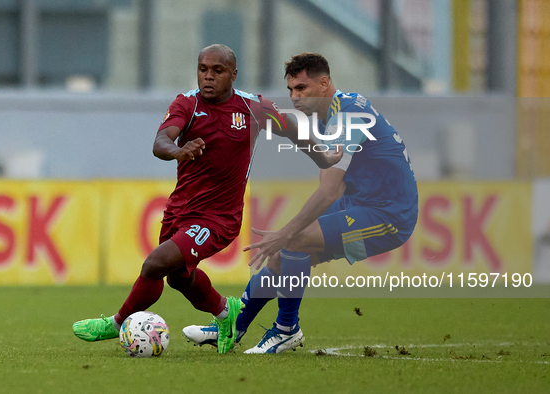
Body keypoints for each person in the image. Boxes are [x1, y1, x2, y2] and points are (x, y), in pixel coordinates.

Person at [72, 46, 342, 354]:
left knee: (154, 264)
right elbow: (160, 142)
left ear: (233, 75)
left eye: (217, 70)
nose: (208, 77)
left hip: (219, 218)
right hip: (180, 211)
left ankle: (117, 323)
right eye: (203, 69)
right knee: (178, 278)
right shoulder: (186, 103)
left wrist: (322, 157)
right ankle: (227, 313)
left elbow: (292, 129)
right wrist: (179, 150)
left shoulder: (252, 107)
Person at [182, 52, 418, 353]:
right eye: (291, 89)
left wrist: (285, 232)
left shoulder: (346, 116)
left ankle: (285, 329)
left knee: (293, 241)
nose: (295, 97)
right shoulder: (336, 110)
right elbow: (342, 182)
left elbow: (329, 190)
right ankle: (232, 328)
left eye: (302, 88)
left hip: (390, 215)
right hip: (360, 201)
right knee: (283, 255)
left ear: (324, 83)